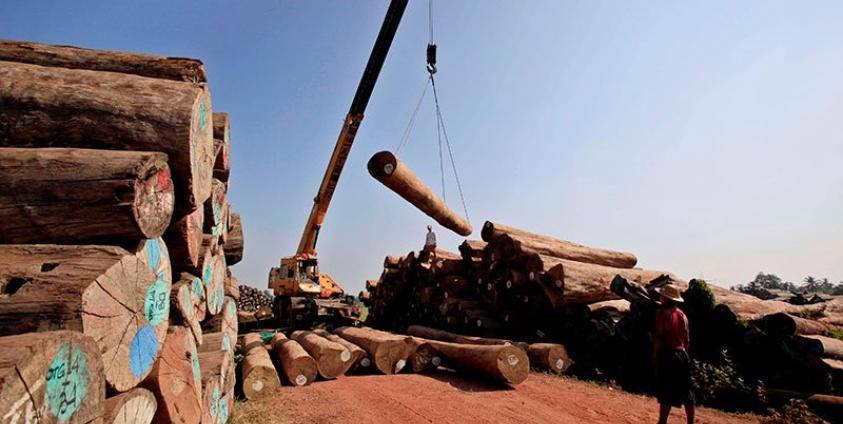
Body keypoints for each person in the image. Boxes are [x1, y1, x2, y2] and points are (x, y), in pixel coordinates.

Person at [653, 284, 694, 424]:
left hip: (668, 354)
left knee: (666, 390)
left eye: (662, 295)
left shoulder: (662, 314)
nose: (660, 297)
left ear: (667, 298)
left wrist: (655, 356)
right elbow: (687, 340)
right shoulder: (683, 315)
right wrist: (685, 356)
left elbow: (659, 338)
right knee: (687, 390)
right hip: (682, 354)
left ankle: (662, 421)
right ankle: (690, 422)